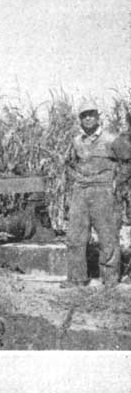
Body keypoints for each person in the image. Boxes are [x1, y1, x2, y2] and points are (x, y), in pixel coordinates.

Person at [63, 100, 131, 287]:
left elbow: (127, 160)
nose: (88, 118)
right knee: (75, 236)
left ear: (98, 117)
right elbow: (69, 163)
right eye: (84, 115)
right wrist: (76, 179)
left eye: (91, 114)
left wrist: (119, 183)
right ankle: (76, 278)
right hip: (81, 191)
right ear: (80, 119)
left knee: (107, 235)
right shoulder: (77, 141)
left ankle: (109, 280)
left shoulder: (111, 139)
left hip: (104, 191)